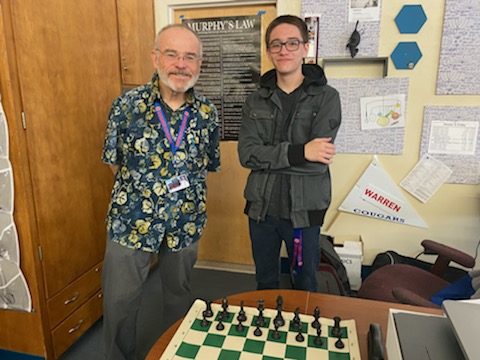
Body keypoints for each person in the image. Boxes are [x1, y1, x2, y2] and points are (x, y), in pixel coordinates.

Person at [101, 24, 220, 360]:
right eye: (172, 54)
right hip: (132, 221)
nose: (181, 64)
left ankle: (175, 352)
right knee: (120, 302)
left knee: (179, 296)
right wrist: (146, 192)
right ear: (156, 58)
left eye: (190, 57)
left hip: (185, 221)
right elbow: (113, 163)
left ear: (199, 63)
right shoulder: (126, 107)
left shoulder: (207, 114)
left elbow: (207, 163)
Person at [238, 15, 341, 292]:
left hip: (303, 214)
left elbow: (317, 165)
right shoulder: (255, 99)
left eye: (292, 43)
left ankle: (304, 334)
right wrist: (302, 151)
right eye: (276, 44)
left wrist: (269, 159)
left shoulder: (327, 97)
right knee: (265, 282)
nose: (284, 50)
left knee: (304, 281)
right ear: (269, 51)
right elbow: (246, 155)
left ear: (305, 47)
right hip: (261, 211)